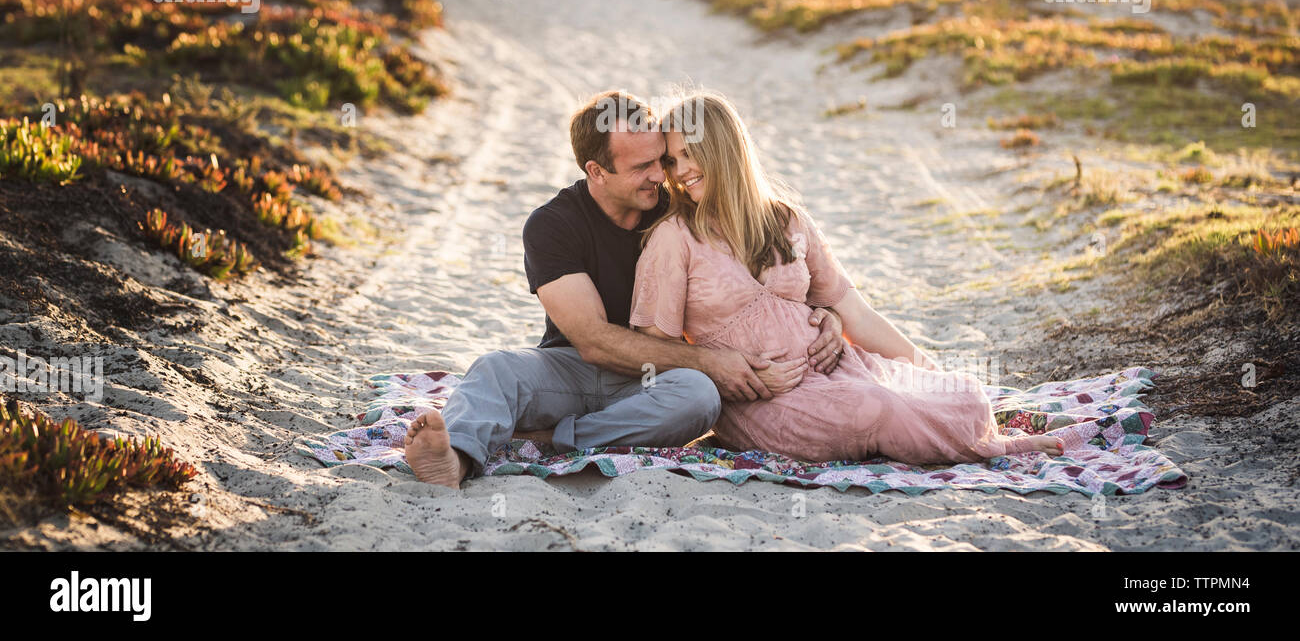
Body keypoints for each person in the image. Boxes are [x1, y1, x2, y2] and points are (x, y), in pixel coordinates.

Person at [403, 90, 845, 487]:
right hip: (572, 368)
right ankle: (455, 459)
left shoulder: (682, 207)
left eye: (661, 159)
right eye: (642, 166)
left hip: (663, 380)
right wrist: (713, 361)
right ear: (597, 170)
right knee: (496, 368)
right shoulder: (553, 225)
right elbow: (593, 342)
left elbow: (760, 278)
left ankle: (550, 438)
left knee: (698, 397)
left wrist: (827, 315)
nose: (661, 175)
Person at [628, 91, 1066, 466]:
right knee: (872, 409)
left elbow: (853, 312)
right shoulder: (674, 238)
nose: (681, 170)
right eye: (672, 160)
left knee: (964, 394)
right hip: (762, 401)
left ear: (725, 148)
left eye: (691, 153)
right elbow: (654, 346)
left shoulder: (786, 220)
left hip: (838, 369)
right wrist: (725, 372)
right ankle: (998, 449)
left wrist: (933, 370)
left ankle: (971, 429)